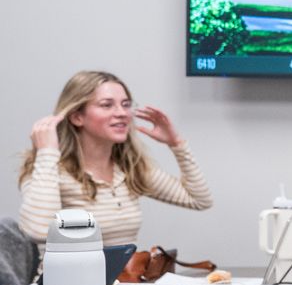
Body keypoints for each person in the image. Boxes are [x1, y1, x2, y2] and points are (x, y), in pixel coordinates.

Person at [18, 71, 213, 247]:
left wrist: (177, 144)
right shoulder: (49, 169)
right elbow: (39, 231)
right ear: (77, 117)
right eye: (107, 105)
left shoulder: (129, 169)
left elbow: (199, 200)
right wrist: (47, 153)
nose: (121, 113)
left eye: (126, 105)